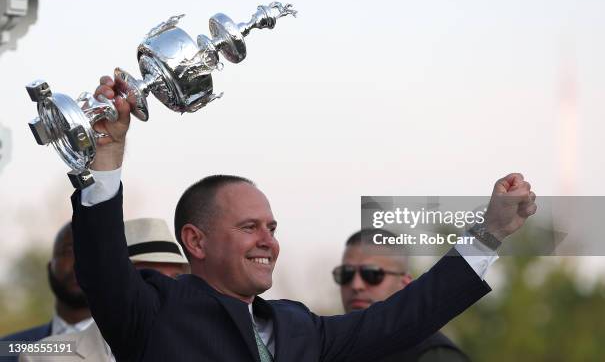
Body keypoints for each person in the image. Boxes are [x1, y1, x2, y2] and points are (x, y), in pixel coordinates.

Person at [67, 76, 537, 361]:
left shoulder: (300, 328)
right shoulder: (153, 310)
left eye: (272, 228)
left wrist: (489, 234)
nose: (267, 241)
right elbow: (103, 265)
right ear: (196, 240)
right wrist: (108, 155)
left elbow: (404, 317)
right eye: (248, 227)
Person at [19, 218, 189, 362]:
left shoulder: (206, 350)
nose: (166, 289)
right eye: (150, 278)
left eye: (175, 279)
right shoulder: (43, 357)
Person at [335, 229, 470, 362]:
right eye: (346, 273)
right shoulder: (327, 348)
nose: (356, 285)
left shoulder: (434, 355)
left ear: (405, 284)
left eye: (372, 274)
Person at [1, 223, 93, 362]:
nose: (79, 263)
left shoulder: (130, 348)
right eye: (69, 252)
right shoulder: (7, 349)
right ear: (50, 267)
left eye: (91, 252)